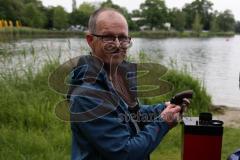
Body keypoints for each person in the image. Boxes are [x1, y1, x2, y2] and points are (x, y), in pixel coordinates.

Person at [68, 8, 189, 160]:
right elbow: (124, 153)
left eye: (123, 38)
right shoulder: (87, 94)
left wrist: (163, 108)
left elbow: (129, 115)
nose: (118, 45)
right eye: (109, 38)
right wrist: (163, 122)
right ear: (91, 41)